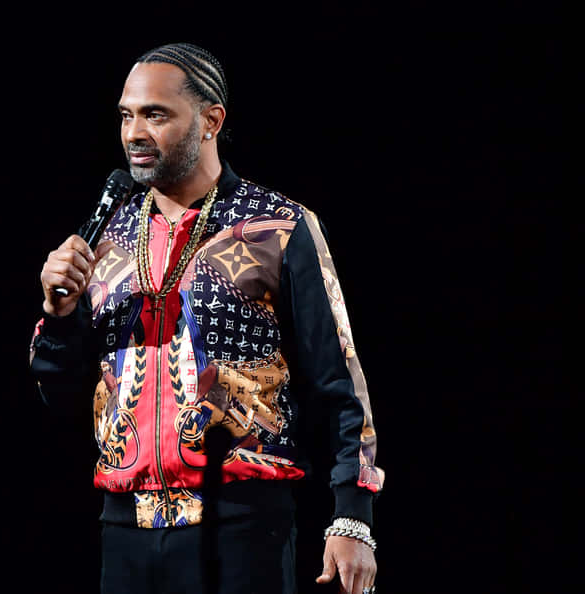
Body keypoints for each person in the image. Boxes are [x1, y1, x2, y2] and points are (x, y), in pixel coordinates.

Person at [30, 42, 384, 594]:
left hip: (245, 529)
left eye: (156, 114)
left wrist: (352, 516)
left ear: (211, 121)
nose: (134, 133)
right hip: (125, 532)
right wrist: (59, 314)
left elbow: (338, 382)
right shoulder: (105, 237)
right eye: (127, 115)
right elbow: (61, 396)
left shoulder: (280, 228)